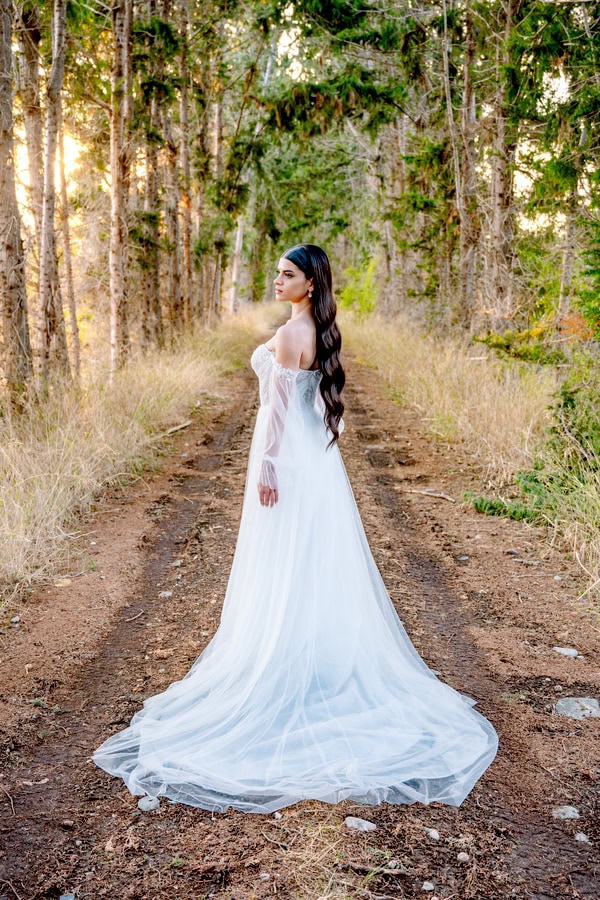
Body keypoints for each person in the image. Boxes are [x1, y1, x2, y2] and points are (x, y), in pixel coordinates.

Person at [93, 243, 498, 814]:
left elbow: (278, 411)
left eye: (287, 275)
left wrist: (266, 466)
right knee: (310, 557)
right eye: (277, 273)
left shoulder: (289, 337)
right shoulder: (317, 330)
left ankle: (285, 662)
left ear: (310, 283)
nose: (277, 280)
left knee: (285, 557)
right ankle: (311, 656)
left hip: (287, 459)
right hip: (317, 461)